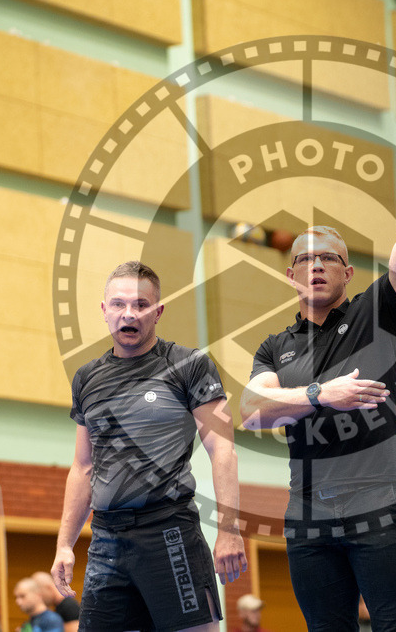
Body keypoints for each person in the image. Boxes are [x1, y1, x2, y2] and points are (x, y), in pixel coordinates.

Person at [239, 53, 396, 632]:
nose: (315, 266)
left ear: (348, 273)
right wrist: (316, 395)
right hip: (307, 515)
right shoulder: (274, 346)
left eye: (328, 259)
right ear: (289, 275)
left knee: (395, 627)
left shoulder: (377, 314)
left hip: (377, 506)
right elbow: (250, 412)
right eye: (303, 259)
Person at [51, 261, 248, 632]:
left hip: (169, 530)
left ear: (158, 311)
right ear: (104, 310)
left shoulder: (189, 365)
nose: (129, 313)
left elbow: (223, 450)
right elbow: (82, 467)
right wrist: (65, 544)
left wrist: (229, 529)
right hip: (107, 539)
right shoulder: (87, 378)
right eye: (119, 304)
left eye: (141, 305)